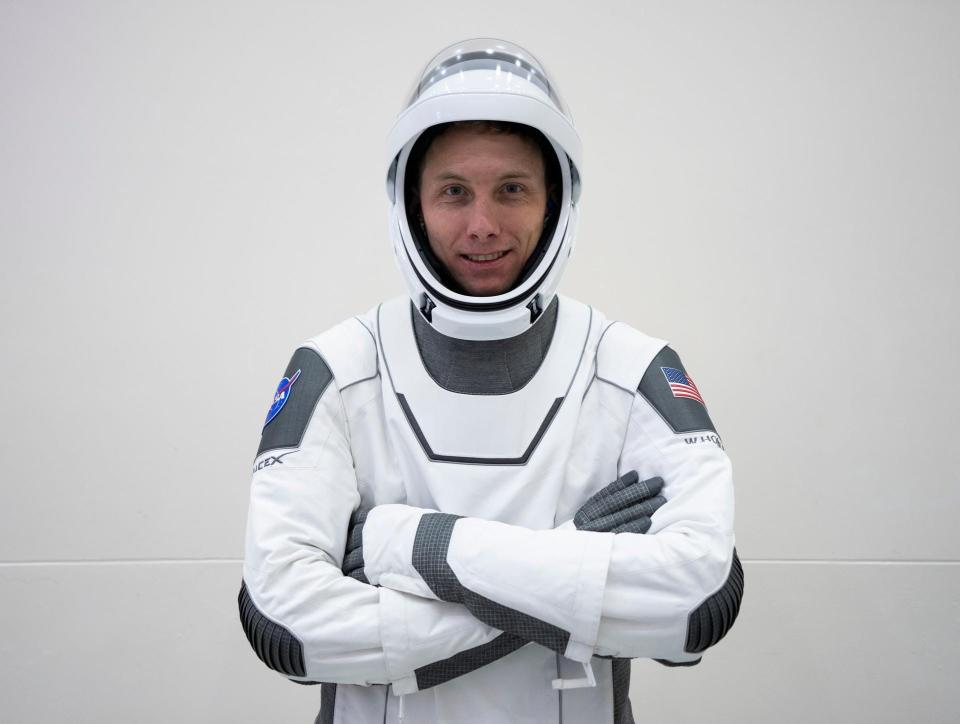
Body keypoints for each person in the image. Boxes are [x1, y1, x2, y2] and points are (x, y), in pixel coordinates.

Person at [239, 38, 743, 724]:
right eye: (454, 192)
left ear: (554, 199)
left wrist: (407, 546)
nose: (482, 225)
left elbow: (696, 606)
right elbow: (287, 626)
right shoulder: (335, 369)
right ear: (411, 204)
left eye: (511, 190)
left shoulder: (632, 369)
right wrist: (570, 564)